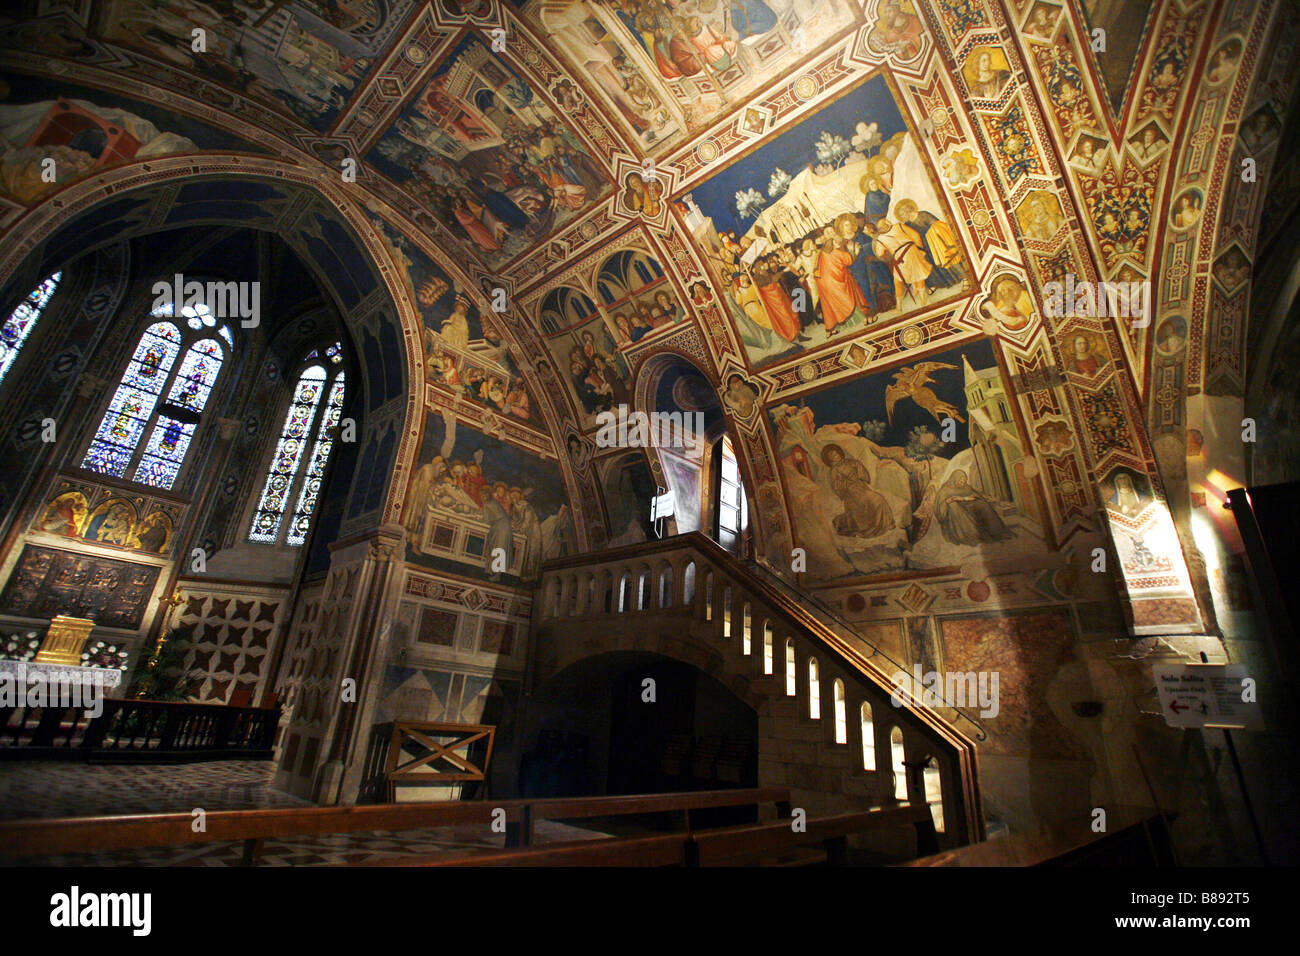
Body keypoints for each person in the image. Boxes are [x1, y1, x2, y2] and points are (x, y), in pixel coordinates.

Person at [822, 444, 895, 538]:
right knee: (874, 502)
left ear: (839, 454)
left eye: (836, 454)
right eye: (832, 457)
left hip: (862, 488)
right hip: (851, 495)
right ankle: (873, 526)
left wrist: (858, 467)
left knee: (879, 499)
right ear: (830, 460)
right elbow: (837, 488)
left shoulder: (851, 462)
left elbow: (864, 475)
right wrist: (847, 482)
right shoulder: (834, 471)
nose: (835, 457)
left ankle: (886, 524)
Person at [933, 470, 1013, 544]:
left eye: (964, 481)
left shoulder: (966, 487)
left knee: (983, 505)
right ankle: (973, 535)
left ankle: (997, 531)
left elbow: (976, 495)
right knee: (953, 506)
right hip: (956, 512)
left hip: (968, 506)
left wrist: (973, 497)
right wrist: (959, 499)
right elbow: (940, 506)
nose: (963, 484)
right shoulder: (945, 490)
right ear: (955, 479)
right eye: (961, 481)